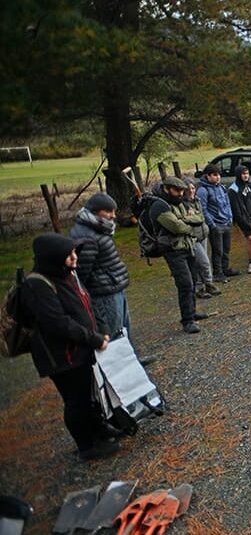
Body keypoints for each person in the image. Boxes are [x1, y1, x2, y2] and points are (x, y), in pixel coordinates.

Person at [20, 233, 116, 460]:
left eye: (74, 252)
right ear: (54, 258)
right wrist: (93, 339)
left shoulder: (68, 275)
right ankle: (86, 447)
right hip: (62, 358)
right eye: (69, 255)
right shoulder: (36, 285)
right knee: (76, 400)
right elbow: (58, 323)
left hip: (82, 350)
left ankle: (99, 430)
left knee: (90, 394)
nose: (75, 258)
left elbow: (86, 304)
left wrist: (101, 330)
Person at [149, 176, 210, 333]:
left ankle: (192, 312)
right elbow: (177, 227)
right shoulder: (159, 206)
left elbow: (200, 217)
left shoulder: (179, 202)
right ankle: (187, 320)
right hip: (173, 250)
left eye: (182, 190)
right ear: (166, 189)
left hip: (187, 246)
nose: (180, 193)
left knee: (193, 279)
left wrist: (184, 219)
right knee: (185, 283)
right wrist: (188, 222)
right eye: (177, 190)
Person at [69, 193, 132, 336]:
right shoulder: (87, 236)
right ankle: (117, 358)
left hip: (112, 286)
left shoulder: (99, 228)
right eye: (109, 211)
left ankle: (131, 357)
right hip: (103, 293)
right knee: (114, 332)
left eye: (114, 211)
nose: (113, 216)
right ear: (94, 211)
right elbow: (82, 271)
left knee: (124, 327)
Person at [197, 164, 240, 280]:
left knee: (226, 249)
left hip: (226, 222)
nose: (218, 177)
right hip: (216, 225)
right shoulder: (203, 190)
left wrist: (230, 217)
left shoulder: (221, 187)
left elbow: (227, 203)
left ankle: (225, 268)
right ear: (207, 176)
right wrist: (212, 224)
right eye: (215, 175)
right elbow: (203, 209)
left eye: (219, 175)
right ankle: (218, 272)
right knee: (218, 250)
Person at [227, 166, 251, 274]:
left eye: (247, 173)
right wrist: (242, 221)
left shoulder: (250, 185)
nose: (246, 176)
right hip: (244, 218)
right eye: (243, 174)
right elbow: (236, 208)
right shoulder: (234, 189)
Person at [185, 178, 216, 299]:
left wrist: (196, 217)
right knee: (203, 262)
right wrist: (195, 218)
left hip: (203, 234)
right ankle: (200, 287)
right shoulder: (183, 204)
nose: (191, 191)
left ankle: (208, 284)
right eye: (188, 189)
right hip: (193, 237)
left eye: (192, 188)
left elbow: (201, 217)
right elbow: (188, 220)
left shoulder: (197, 200)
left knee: (203, 261)